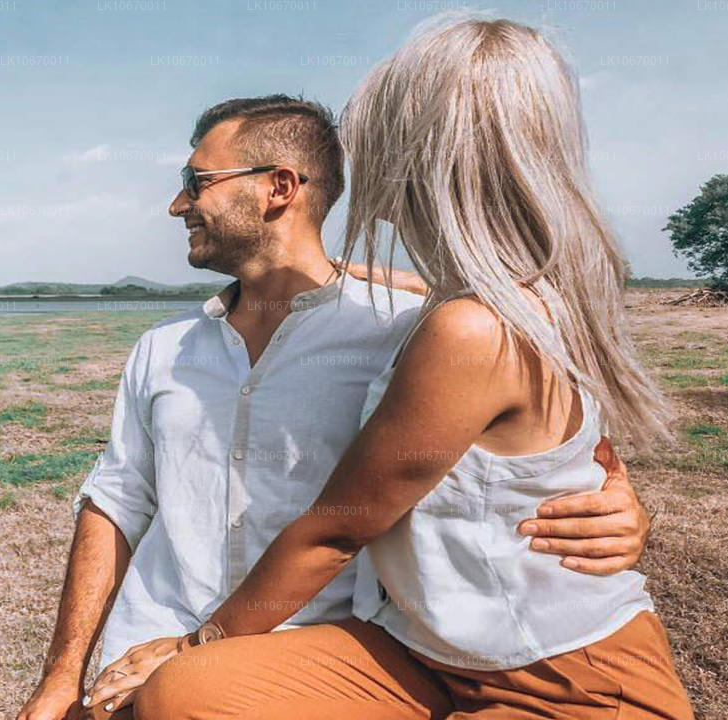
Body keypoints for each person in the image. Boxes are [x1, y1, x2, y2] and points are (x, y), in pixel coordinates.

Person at [83, 17, 693, 720]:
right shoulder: (484, 307)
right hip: (418, 655)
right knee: (189, 695)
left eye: (377, 139)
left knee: (186, 679)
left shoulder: (469, 330)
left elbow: (335, 531)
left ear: (422, 157)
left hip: (555, 677)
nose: (364, 164)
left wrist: (194, 643)